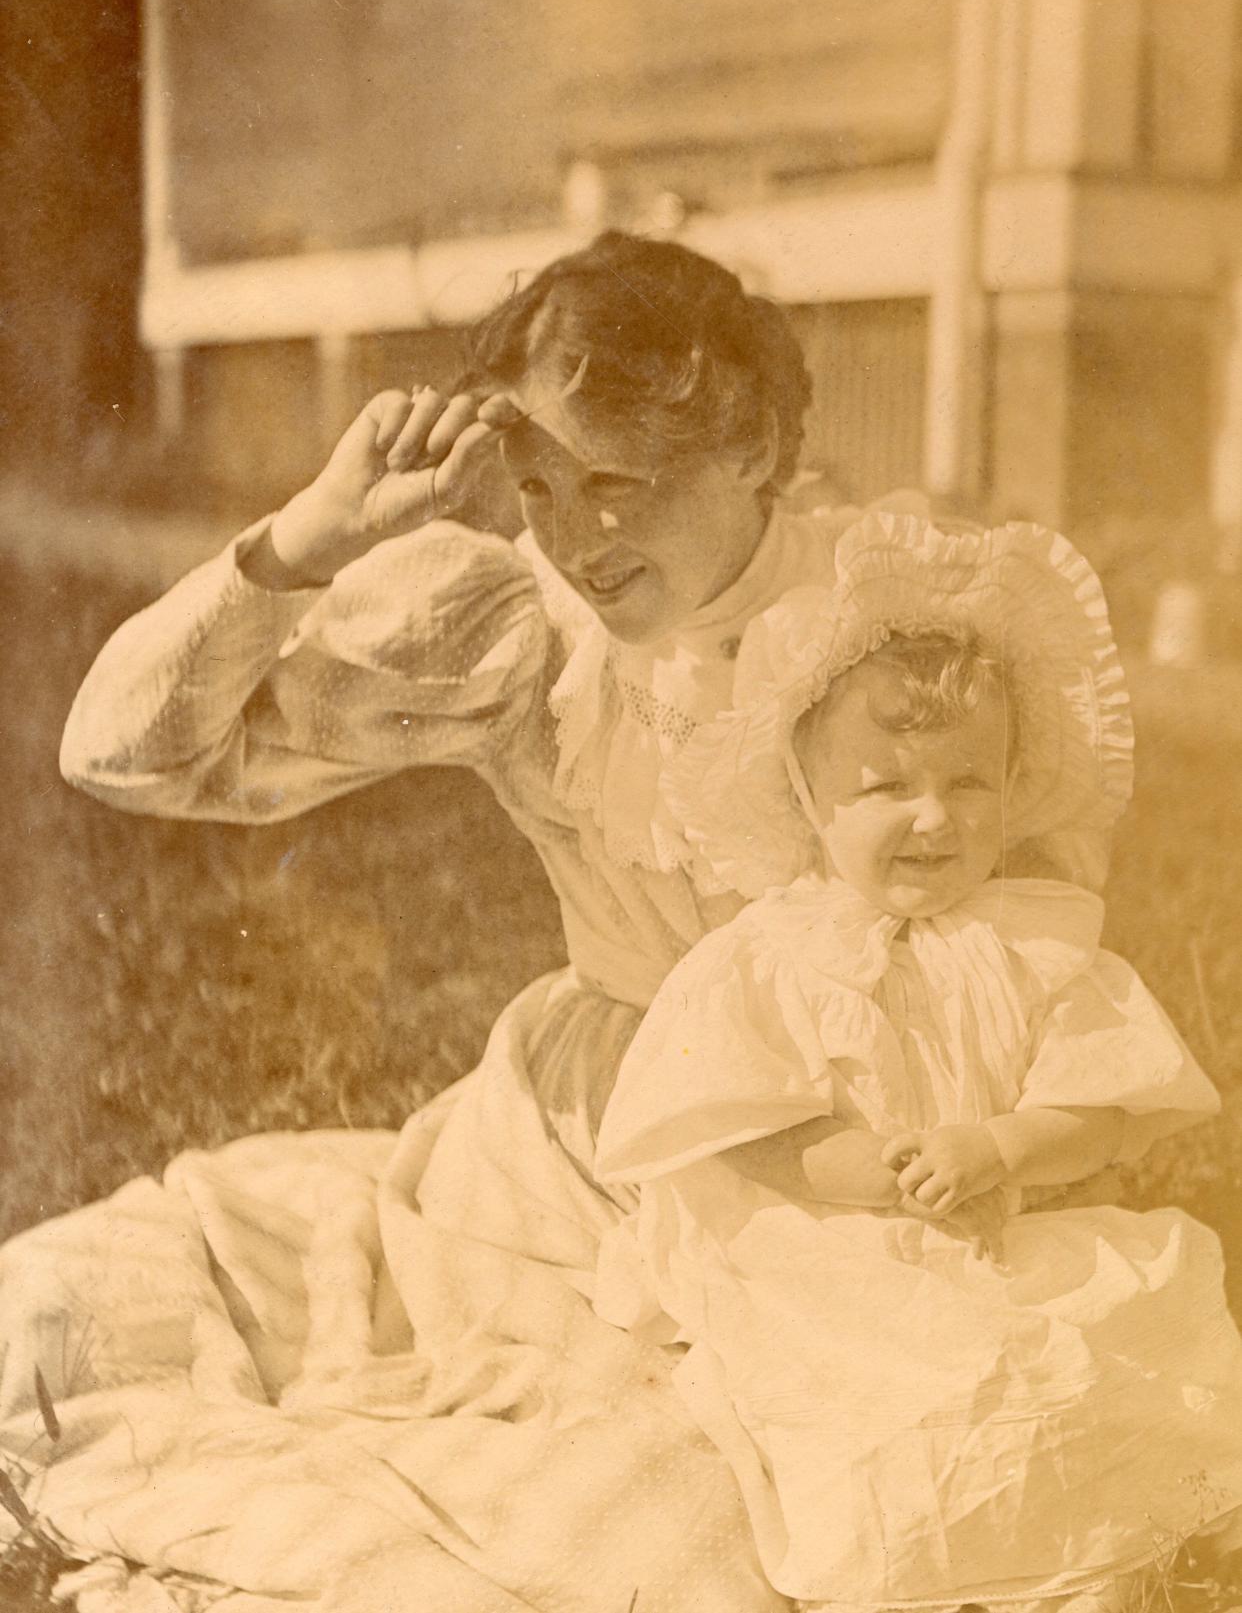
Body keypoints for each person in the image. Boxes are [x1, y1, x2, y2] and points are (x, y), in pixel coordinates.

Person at [0, 231, 955, 1613]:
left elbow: (1030, 895)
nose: (574, 533)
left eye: (617, 483)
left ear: (751, 449)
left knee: (770, 1508)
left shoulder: (890, 612)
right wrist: (304, 543)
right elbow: (124, 754)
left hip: (851, 1162)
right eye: (541, 485)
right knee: (69, 1312)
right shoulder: (521, 631)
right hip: (580, 1159)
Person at [593, 510, 1242, 1613]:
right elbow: (736, 1124)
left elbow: (1101, 1102)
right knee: (878, 1380)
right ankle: (926, 1545)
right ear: (809, 800)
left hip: (1005, 1229)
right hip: (829, 1239)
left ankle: (1095, 1539)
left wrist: (1003, 1144)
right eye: (889, 787)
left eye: (969, 783)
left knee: (1121, 1329)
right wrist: (857, 1169)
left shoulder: (1036, 945)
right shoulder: (772, 954)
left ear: (1013, 780)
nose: (934, 817)